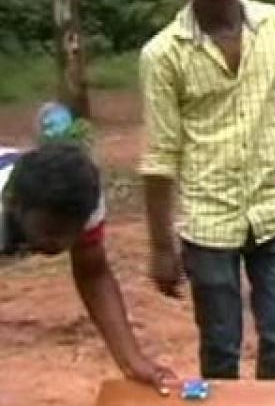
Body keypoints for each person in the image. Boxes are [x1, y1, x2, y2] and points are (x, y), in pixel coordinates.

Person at [139, 0, 275, 380]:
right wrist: (161, 247)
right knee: (220, 350)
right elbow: (160, 157)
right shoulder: (163, 55)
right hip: (208, 223)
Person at [1, 142, 176, 393]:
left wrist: (132, 361)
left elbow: (93, 274)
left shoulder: (83, 201)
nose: (60, 243)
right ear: (13, 204)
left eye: (70, 233)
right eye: (49, 231)